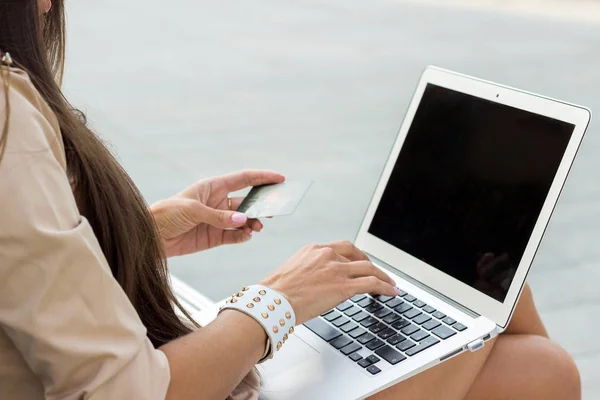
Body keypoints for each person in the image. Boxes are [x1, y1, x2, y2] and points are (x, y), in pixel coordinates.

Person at [0, 1, 581, 399]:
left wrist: (136, 235)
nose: (51, 6)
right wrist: (274, 303)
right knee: (525, 345)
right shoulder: (8, 119)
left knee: (529, 355)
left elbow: (23, 269)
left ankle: (466, 292)